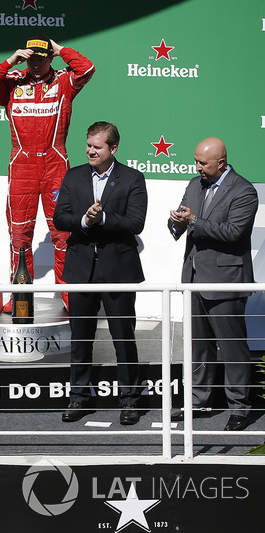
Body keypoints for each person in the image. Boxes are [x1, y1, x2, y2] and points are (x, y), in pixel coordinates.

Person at [0, 34, 95, 313]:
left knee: (64, 234)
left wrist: (61, 48)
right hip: (22, 167)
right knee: (19, 236)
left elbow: (87, 68)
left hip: (56, 167)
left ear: (50, 57)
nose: (37, 64)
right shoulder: (13, 83)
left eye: (42, 58)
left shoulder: (64, 82)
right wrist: (9, 62)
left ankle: (68, 296)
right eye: (32, 58)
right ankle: (19, 297)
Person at [52, 122, 147, 425]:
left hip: (118, 270)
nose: (90, 150)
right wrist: (83, 220)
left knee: (123, 338)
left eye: (97, 146)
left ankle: (130, 401)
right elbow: (59, 217)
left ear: (113, 149)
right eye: (89, 145)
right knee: (80, 339)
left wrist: (103, 217)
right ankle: (79, 398)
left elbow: (136, 222)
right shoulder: (73, 175)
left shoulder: (132, 178)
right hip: (81, 269)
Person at [167, 137, 257, 431]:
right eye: (196, 161)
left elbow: (234, 232)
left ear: (221, 162)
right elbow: (184, 222)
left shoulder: (244, 191)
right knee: (198, 346)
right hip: (193, 279)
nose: (197, 167)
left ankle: (240, 408)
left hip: (227, 280)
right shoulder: (195, 185)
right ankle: (197, 401)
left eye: (202, 163)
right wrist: (177, 222)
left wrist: (194, 222)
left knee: (232, 347)